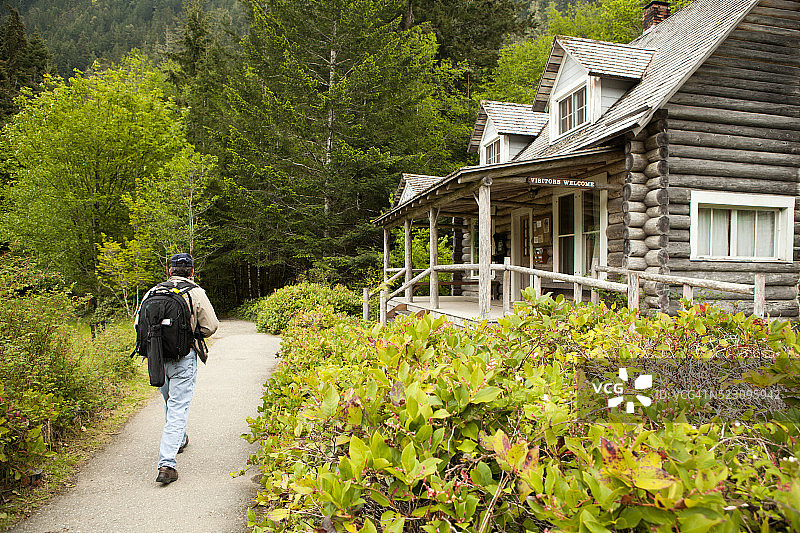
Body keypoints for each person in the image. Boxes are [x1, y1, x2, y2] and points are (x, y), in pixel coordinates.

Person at [139, 253, 219, 484]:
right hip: (183, 358)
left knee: (169, 402)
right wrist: (190, 334)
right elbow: (211, 326)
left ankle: (179, 438)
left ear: (170, 271)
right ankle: (167, 464)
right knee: (178, 407)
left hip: (157, 358)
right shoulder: (195, 292)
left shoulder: (152, 292)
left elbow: (139, 325)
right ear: (192, 272)